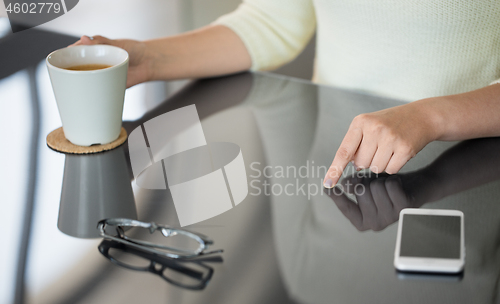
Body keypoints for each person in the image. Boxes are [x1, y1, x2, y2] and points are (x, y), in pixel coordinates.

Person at [71, 0, 500, 188]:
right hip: (346, 166)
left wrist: (432, 117)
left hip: (473, 164)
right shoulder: (308, 276)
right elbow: (273, 20)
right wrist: (149, 59)